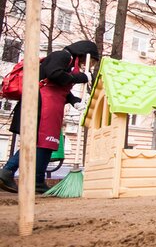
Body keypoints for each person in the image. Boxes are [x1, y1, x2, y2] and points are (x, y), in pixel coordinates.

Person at [0, 41, 100, 194]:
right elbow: (54, 75)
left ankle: (35, 181)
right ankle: (10, 172)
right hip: (39, 104)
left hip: (50, 106)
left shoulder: (69, 63)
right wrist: (80, 77)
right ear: (83, 54)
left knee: (44, 143)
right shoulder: (62, 56)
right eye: (90, 61)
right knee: (37, 141)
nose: (88, 66)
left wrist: (75, 102)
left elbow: (60, 87)